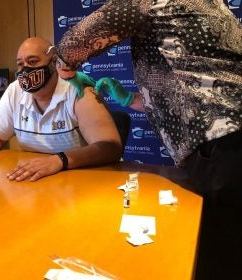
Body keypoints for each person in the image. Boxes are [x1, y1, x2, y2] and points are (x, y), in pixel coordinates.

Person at [56, 0, 242, 278]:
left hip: (225, 147)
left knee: (221, 256)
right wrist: (131, 99)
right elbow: (192, 88)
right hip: (229, 142)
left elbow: (77, 42)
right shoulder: (214, 5)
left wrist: (65, 69)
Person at [0, 37, 122, 182]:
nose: (25, 70)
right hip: (35, 178)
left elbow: (109, 148)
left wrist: (59, 160)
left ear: (54, 63)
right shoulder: (15, 90)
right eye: (21, 64)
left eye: (33, 62)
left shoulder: (79, 91)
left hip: (82, 179)